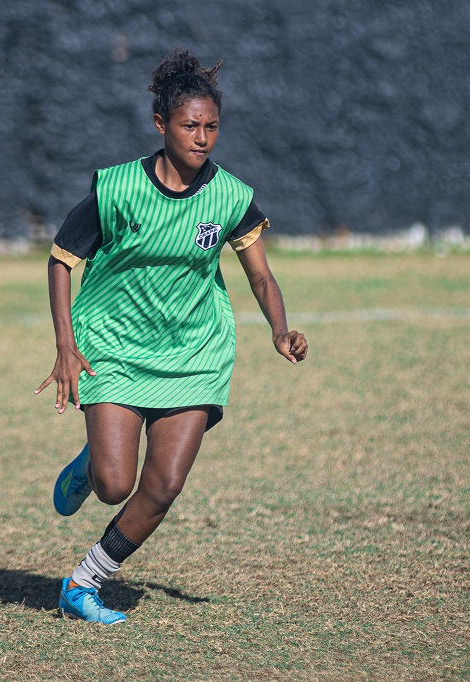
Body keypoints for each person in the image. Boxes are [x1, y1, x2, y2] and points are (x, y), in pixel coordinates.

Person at [34, 51, 308, 625]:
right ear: (161, 124)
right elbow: (62, 260)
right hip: (113, 342)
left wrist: (280, 329)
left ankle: (83, 584)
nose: (202, 137)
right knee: (115, 484)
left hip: (193, 352)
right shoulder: (117, 191)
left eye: (211, 127)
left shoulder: (230, 196)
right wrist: (65, 344)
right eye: (190, 125)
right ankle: (93, 462)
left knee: (164, 484)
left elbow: (260, 274)